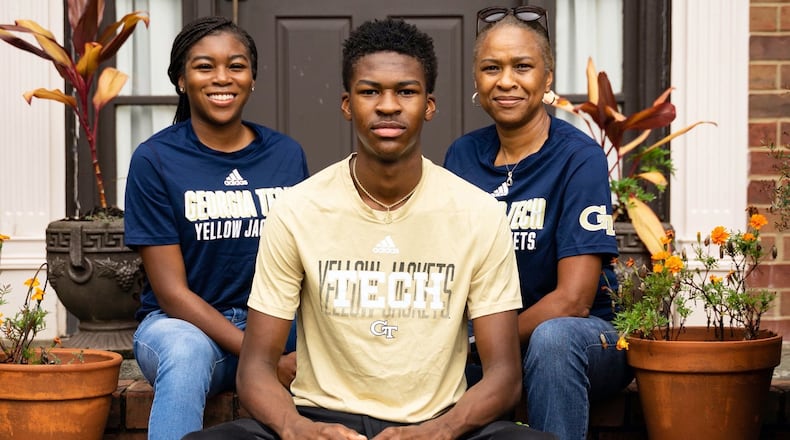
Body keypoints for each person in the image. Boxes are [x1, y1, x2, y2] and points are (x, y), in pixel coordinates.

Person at [184, 17, 556, 440]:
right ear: (347, 104)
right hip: (321, 417)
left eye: (406, 92)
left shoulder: (477, 213)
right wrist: (297, 428)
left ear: (429, 106)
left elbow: (504, 376)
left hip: (438, 423)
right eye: (370, 91)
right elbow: (255, 369)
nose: (388, 106)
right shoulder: (297, 210)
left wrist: (439, 431)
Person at [443, 6, 632, 440]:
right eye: (491, 68)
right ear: (476, 79)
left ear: (547, 79)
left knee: (554, 340)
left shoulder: (577, 158)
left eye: (522, 67)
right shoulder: (460, 157)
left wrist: (473, 342)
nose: (505, 81)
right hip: (490, 346)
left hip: (584, 341)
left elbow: (574, 300)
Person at [124, 16, 308, 440]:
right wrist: (263, 358)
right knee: (185, 353)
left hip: (274, 323)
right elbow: (172, 294)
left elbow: (305, 261)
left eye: (236, 65)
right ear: (181, 80)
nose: (222, 78)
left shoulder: (285, 154)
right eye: (205, 66)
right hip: (187, 328)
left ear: (253, 78)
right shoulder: (155, 160)